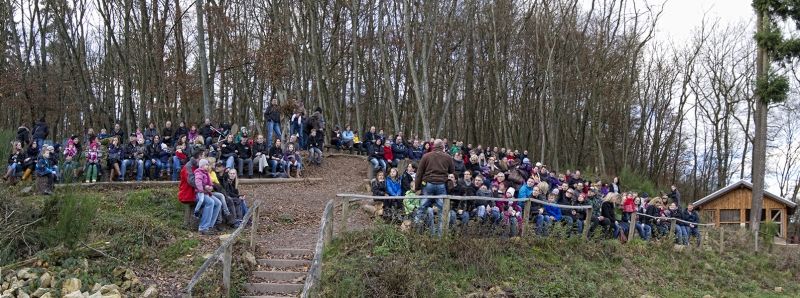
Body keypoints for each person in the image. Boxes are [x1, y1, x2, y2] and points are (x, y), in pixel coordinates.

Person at [415, 139, 455, 236]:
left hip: (428, 184)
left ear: (434, 146)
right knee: (443, 211)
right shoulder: (448, 157)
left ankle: (415, 232)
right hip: (441, 184)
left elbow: (419, 173)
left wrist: (417, 187)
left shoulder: (426, 156)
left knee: (422, 208)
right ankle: (441, 236)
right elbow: (452, 171)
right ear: (443, 147)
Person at [194, 159, 221, 235]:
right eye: (206, 165)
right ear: (202, 165)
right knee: (210, 202)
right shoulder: (198, 172)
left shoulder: (206, 173)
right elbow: (198, 182)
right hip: (200, 193)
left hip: (207, 193)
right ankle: (203, 227)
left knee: (218, 203)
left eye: (208, 165)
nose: (207, 166)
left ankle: (209, 225)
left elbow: (210, 183)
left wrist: (211, 187)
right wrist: (203, 189)